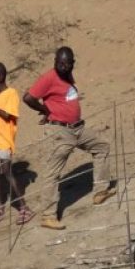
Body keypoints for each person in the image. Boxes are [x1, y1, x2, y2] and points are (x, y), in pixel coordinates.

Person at [23, 47, 115, 230]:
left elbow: (62, 99)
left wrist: (57, 108)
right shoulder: (49, 77)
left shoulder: (67, 76)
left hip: (77, 129)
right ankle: (48, 216)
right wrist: (45, 111)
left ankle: (100, 190)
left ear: (73, 63)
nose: (63, 66)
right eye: (60, 63)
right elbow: (28, 98)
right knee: (53, 172)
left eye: (67, 63)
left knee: (102, 146)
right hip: (60, 132)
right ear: (55, 61)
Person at [0, 62, 33, 225]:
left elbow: (7, 116)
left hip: (3, 140)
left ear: (0, 76)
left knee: (6, 171)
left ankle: (24, 208)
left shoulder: (11, 93)